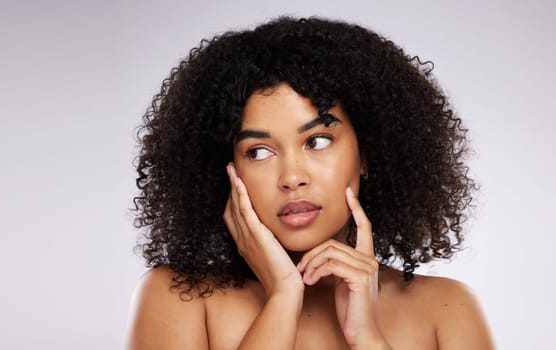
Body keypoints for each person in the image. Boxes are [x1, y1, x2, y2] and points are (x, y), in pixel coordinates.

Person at [126, 16, 494, 349]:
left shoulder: (447, 313)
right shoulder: (180, 298)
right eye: (258, 151)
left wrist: (367, 339)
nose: (292, 178)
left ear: (366, 153)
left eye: (317, 141)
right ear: (226, 168)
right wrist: (283, 298)